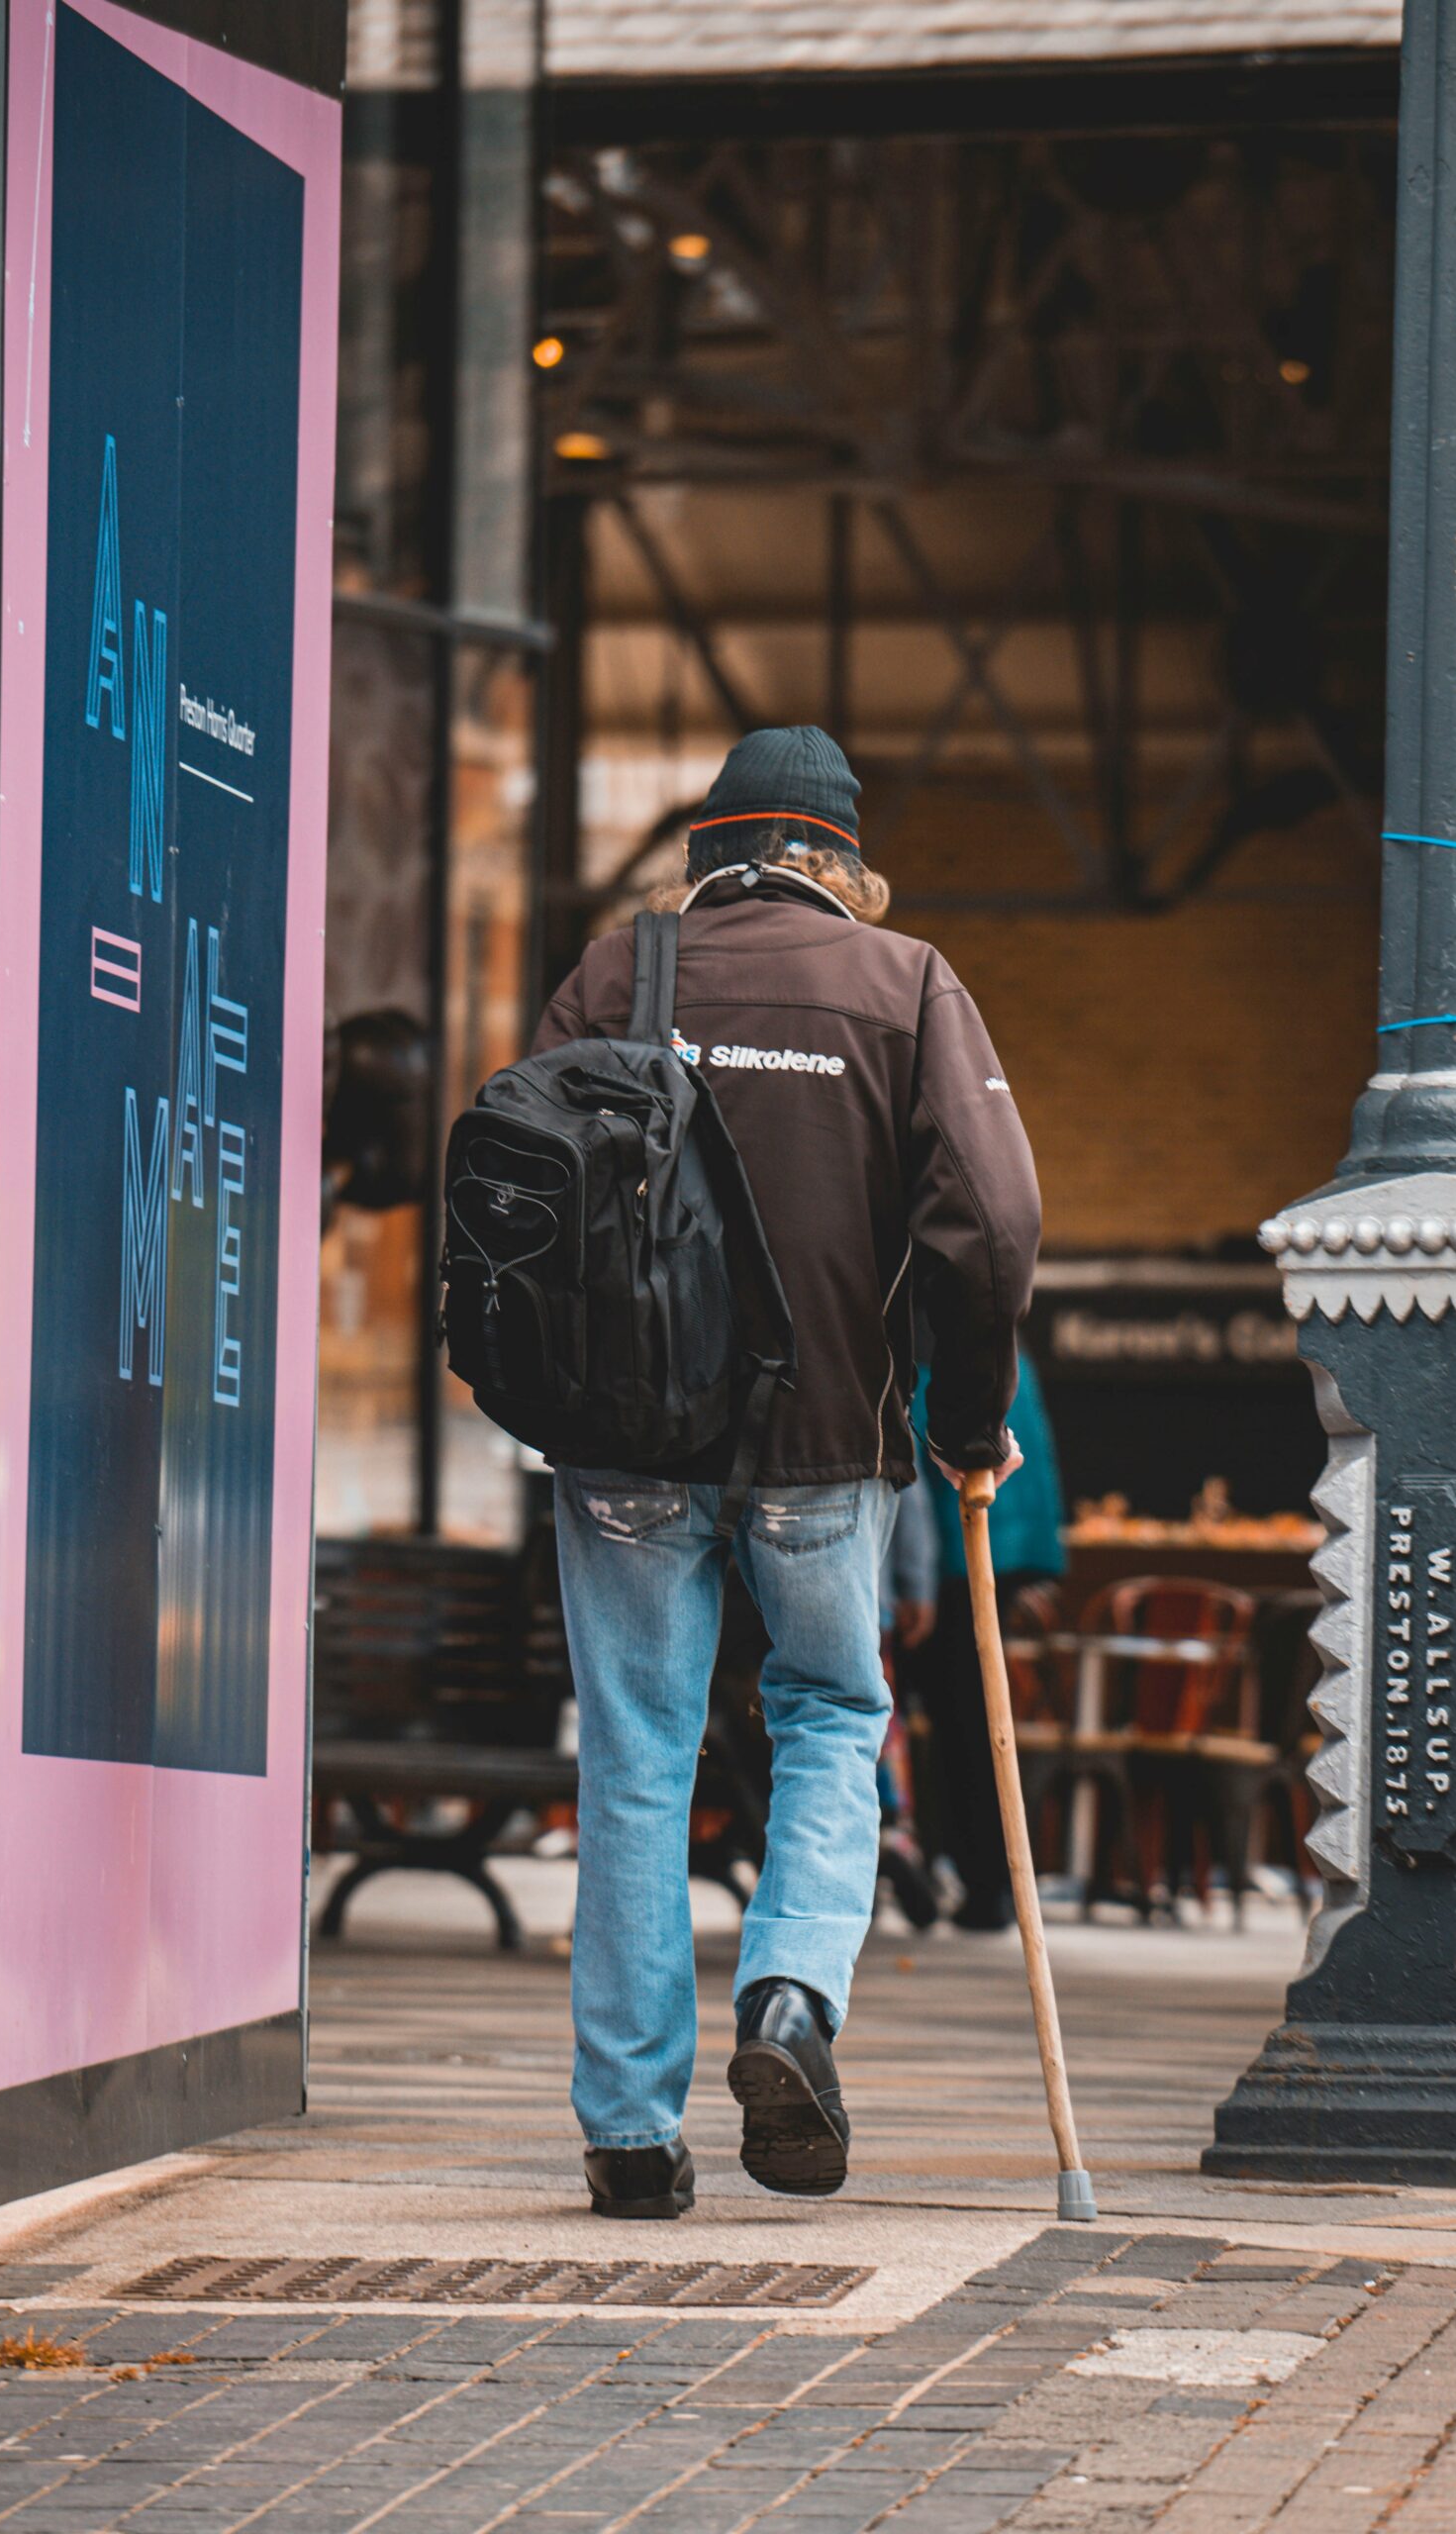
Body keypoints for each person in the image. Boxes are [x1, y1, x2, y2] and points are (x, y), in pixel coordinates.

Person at [536, 726, 1041, 2218]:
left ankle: (631, 2136)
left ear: (708, 855)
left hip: (624, 1438)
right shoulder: (907, 987)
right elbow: (995, 1225)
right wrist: (969, 1418)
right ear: (840, 867)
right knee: (831, 1715)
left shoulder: (618, 978)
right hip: (827, 1444)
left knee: (636, 1756)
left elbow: (514, 1180)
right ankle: (790, 2002)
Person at [906, 1345, 1066, 1929]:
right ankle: (991, 1883)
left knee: (964, 1728)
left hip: (957, 1562)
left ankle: (985, 1883)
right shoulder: (1015, 1363)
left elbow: (917, 1480)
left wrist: (912, 1582)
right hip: (1004, 1554)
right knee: (979, 1727)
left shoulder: (926, 1369)